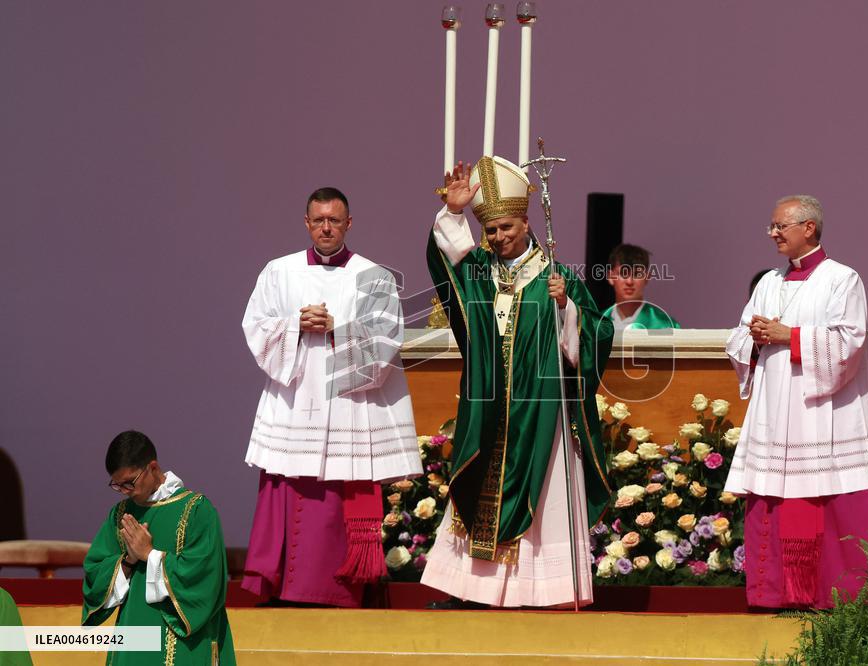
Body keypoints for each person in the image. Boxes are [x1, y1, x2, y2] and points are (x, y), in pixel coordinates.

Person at [421, 156, 614, 608]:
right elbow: (446, 261)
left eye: (506, 227)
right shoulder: (481, 274)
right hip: (488, 406)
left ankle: (539, 590)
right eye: (491, 230)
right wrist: (453, 213)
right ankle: (470, 590)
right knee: (478, 489)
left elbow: (596, 335)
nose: (498, 237)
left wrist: (567, 308)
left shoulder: (557, 277)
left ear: (526, 223)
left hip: (538, 411)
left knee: (540, 498)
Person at [724, 195, 868, 609]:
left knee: (840, 501)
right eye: (770, 226)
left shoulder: (842, 279)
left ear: (808, 227)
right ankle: (778, 594)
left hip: (825, 413)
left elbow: (849, 340)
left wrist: (787, 336)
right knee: (776, 499)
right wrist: (752, 340)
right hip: (777, 411)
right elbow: (738, 338)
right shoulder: (769, 282)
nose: (772, 233)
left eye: (780, 226)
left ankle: (840, 592)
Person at [241, 187, 421, 606]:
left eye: (334, 220)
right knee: (288, 488)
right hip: (296, 404)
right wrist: (296, 324)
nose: (326, 227)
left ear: (348, 224)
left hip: (347, 407)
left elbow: (386, 341)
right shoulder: (279, 272)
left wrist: (337, 327)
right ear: (306, 223)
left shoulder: (374, 276)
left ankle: (334, 591)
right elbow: (255, 326)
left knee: (333, 501)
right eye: (318, 220)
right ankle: (279, 585)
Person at [82, 430, 235, 665]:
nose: (125, 491)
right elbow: (95, 575)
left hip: (185, 644)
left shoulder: (196, 510)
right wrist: (128, 561)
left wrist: (150, 555)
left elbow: (205, 580)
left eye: (129, 482)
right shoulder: (120, 515)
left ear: (153, 467)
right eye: (117, 485)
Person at [602, 243, 679, 330]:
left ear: (647, 277)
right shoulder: (597, 325)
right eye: (623, 274)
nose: (629, 281)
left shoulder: (666, 325)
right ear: (611, 277)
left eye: (637, 274)